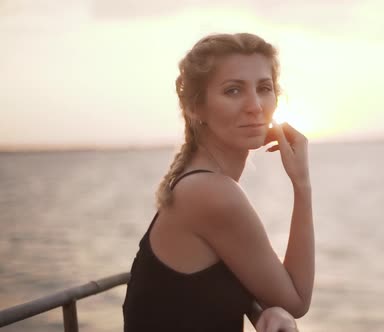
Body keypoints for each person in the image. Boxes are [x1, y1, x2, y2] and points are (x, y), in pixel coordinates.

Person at [122, 32, 314, 332]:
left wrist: (272, 311)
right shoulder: (211, 193)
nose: (255, 106)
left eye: (264, 88)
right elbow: (297, 300)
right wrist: (301, 184)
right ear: (196, 108)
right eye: (233, 91)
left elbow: (275, 294)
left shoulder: (198, 183)